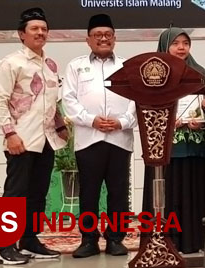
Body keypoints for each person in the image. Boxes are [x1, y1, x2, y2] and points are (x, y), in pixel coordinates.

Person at [0, 8, 67, 265]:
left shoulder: (51, 65)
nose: (40, 33)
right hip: (21, 140)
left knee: (37, 194)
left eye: (44, 29)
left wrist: (59, 126)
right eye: (34, 29)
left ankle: (30, 241)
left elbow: (49, 103)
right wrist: (10, 134)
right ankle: (4, 247)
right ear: (22, 34)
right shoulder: (11, 63)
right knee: (15, 195)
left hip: (46, 140)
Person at [62, 14, 136, 258]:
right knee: (89, 192)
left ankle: (116, 238)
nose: (103, 39)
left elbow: (137, 101)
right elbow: (68, 99)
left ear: (114, 39)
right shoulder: (76, 66)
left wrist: (122, 122)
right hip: (89, 138)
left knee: (118, 191)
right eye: (97, 35)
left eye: (107, 35)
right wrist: (91, 119)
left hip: (119, 138)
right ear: (88, 40)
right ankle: (88, 239)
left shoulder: (127, 66)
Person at [142, 27, 205, 253]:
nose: (181, 47)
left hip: (194, 145)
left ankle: (194, 242)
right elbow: (146, 106)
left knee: (193, 190)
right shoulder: (153, 73)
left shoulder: (199, 72)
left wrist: (204, 114)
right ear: (165, 46)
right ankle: (165, 241)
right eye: (175, 43)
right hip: (164, 146)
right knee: (167, 192)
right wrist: (169, 119)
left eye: (185, 43)